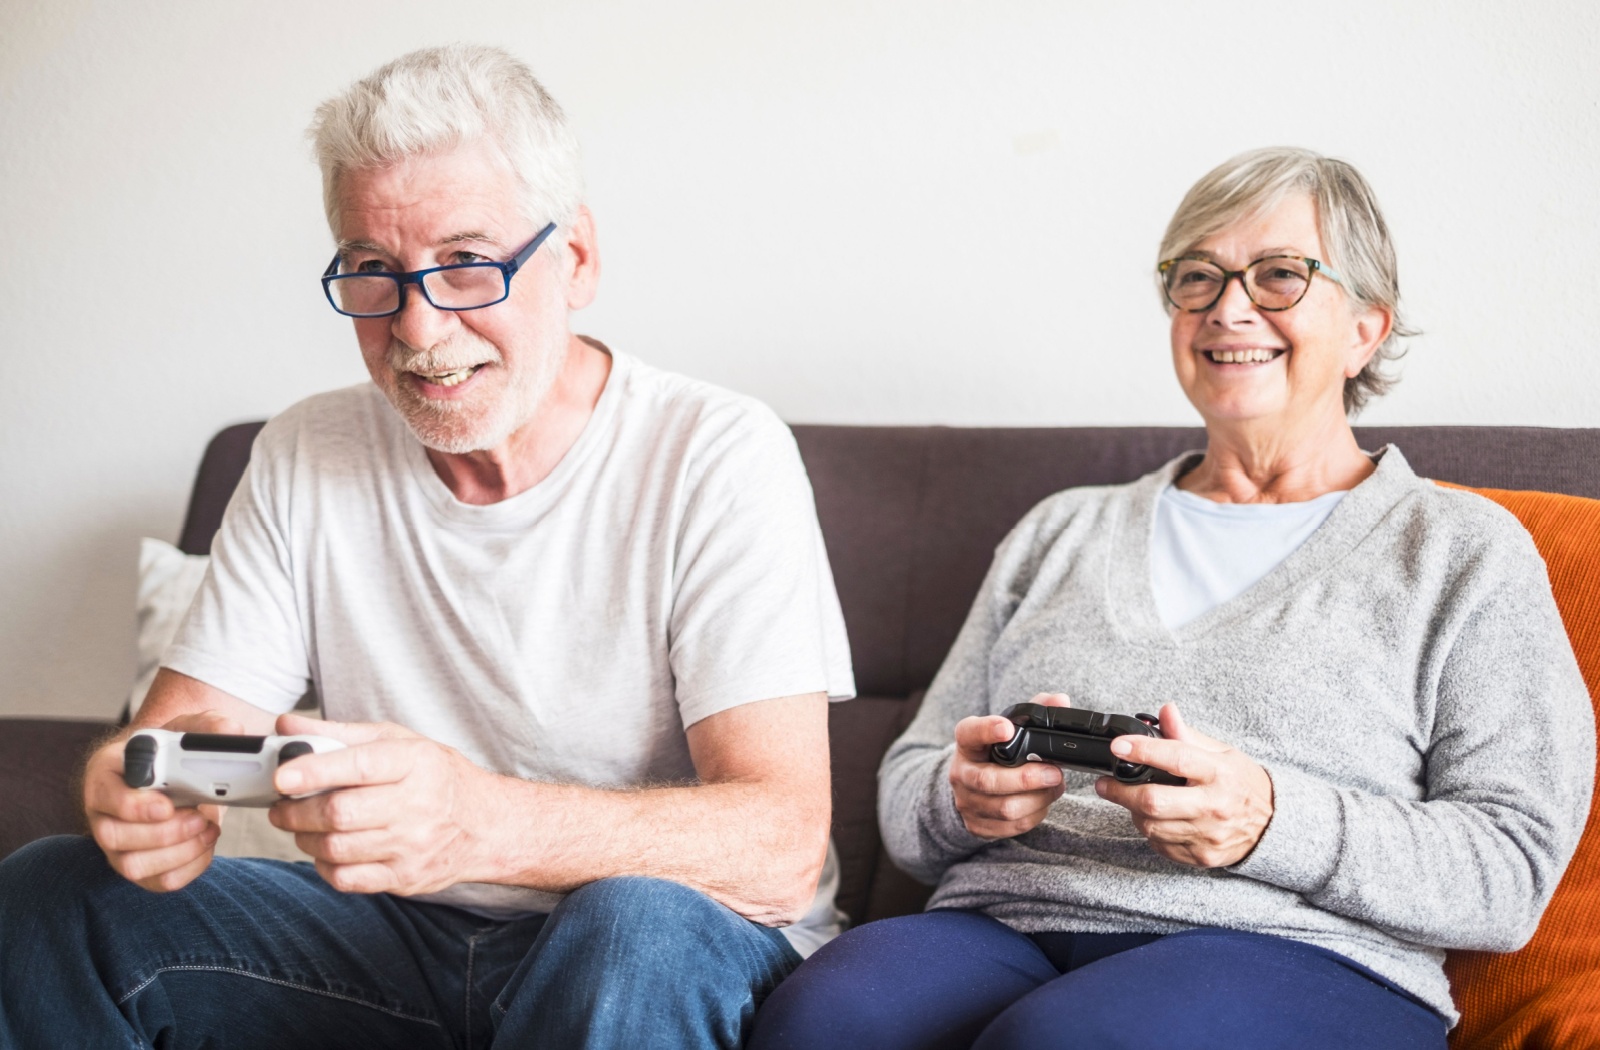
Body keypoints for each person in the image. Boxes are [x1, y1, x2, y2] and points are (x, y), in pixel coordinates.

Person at [0, 44, 853, 1050]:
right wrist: (135, 785)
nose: (417, 328)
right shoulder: (306, 451)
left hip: (667, 940)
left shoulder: (717, 453)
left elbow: (780, 843)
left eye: (464, 262)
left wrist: (480, 820)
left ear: (573, 257)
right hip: (397, 939)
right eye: (374, 272)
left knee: (632, 924)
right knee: (53, 892)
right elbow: (178, 736)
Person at [747, 147, 1594, 1050]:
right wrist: (961, 799)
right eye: (1198, 277)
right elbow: (912, 781)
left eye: (1279, 276)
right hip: (1003, 923)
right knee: (823, 1017)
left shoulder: (1463, 552)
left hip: (1295, 949)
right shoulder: (1061, 530)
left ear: (1365, 329)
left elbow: (1506, 872)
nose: (1229, 308)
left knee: (1069, 1042)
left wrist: (1270, 819)